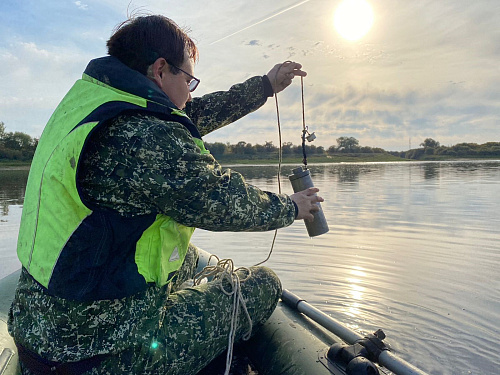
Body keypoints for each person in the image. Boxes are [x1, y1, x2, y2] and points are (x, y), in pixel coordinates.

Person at [8, 14, 323, 375]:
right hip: (98, 358)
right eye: (189, 79)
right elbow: (220, 201)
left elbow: (191, 113)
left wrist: (265, 86)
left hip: (39, 334)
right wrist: (290, 207)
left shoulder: (95, 104)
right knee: (264, 284)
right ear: (160, 70)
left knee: (186, 258)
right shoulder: (143, 136)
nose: (191, 93)